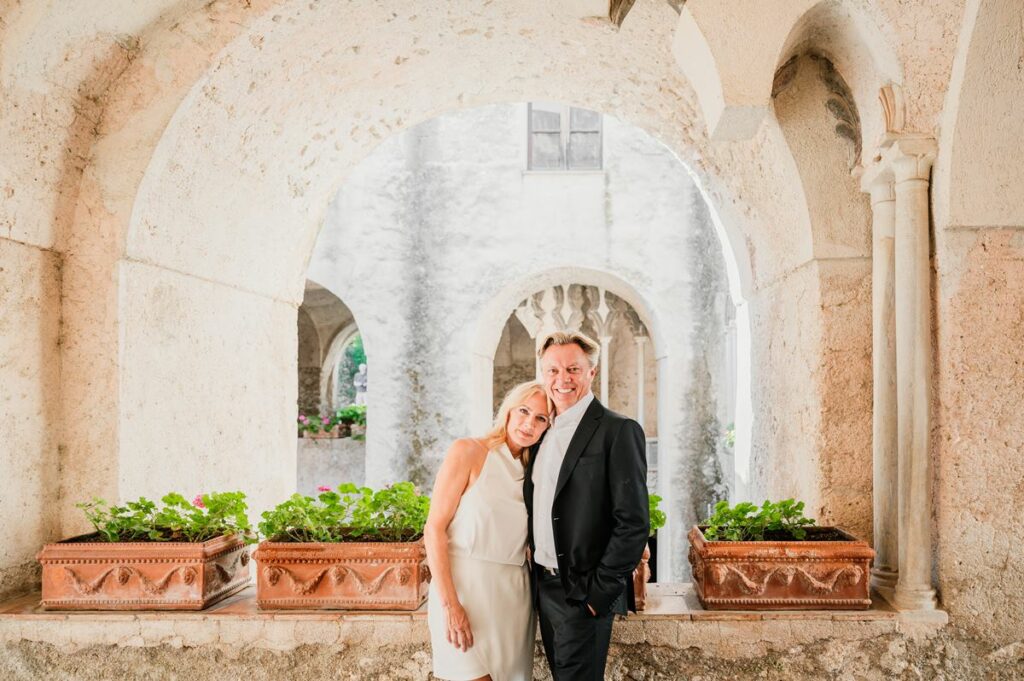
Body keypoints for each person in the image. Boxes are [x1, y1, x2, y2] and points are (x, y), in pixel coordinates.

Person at [525, 331, 649, 680]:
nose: (562, 379)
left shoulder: (618, 430)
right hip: (542, 586)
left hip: (581, 592)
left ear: (592, 373)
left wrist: (599, 593)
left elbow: (633, 522)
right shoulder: (542, 431)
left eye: (573, 369)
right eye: (552, 370)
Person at [425, 381, 554, 681]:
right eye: (524, 411)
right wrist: (450, 605)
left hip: (514, 597)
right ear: (508, 409)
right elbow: (433, 530)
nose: (528, 423)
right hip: (464, 592)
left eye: (540, 418)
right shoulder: (468, 451)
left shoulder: (535, 473)